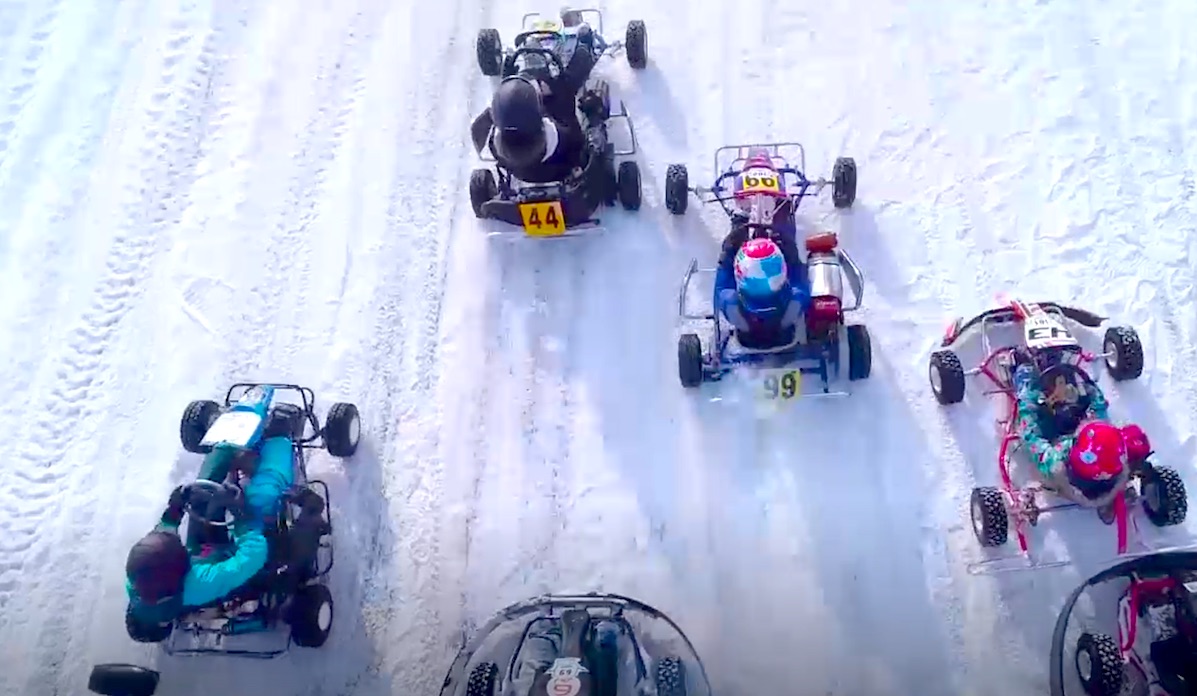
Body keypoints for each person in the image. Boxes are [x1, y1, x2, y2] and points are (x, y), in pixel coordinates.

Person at [123, 436, 325, 639]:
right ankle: (279, 440)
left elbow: (163, 533)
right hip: (245, 570)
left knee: (201, 494)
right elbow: (254, 555)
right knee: (262, 499)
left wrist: (174, 510)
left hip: (203, 555)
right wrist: (242, 517)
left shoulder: (136, 583)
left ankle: (227, 446)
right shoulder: (201, 583)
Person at [1011, 349, 1150, 506]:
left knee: (1028, 385)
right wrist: (1089, 388)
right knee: (1074, 397)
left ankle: (1022, 367)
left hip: (1058, 456)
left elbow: (1031, 436)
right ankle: (1053, 364)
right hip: (1098, 486)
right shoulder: (1115, 466)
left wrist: (1028, 403)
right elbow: (1098, 407)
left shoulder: (1056, 461)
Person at [469, 31, 604, 184]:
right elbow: (577, 142)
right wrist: (555, 89)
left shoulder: (497, 147)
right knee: (569, 82)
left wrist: (508, 82)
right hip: (562, 170)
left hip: (522, 174)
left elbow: (478, 128)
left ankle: (527, 69)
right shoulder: (564, 136)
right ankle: (585, 45)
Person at [714, 234, 810, 350]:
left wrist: (726, 258)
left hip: (746, 331)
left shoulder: (731, 305)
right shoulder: (795, 302)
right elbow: (801, 283)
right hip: (785, 329)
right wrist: (794, 259)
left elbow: (721, 288)